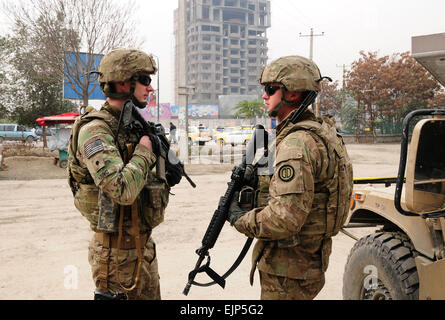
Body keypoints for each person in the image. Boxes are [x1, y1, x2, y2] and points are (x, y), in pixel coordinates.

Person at [227, 56, 353, 300]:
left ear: (293, 94)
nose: (264, 95)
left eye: (270, 89)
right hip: (305, 263)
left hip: (288, 271)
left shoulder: (297, 143)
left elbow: (284, 219)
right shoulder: (320, 132)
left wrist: (239, 219)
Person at [67, 48, 180, 300]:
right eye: (145, 80)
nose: (150, 88)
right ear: (122, 82)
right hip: (115, 257)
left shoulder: (132, 125)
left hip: (143, 249)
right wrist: (145, 151)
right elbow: (121, 190)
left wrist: (165, 167)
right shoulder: (95, 130)